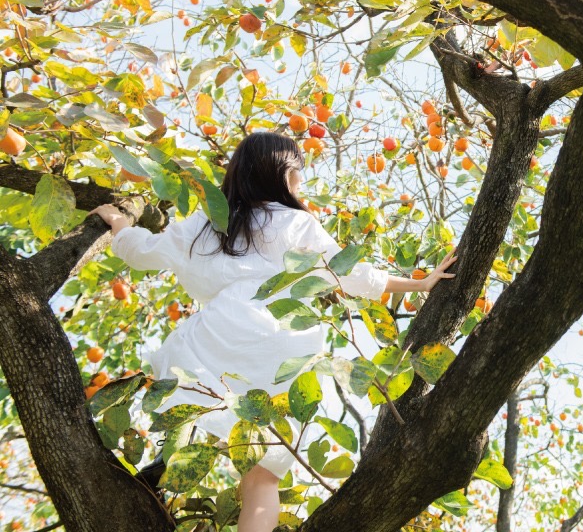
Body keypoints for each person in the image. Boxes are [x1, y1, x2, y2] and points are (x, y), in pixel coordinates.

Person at [90, 132, 456, 532]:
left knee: (199, 408)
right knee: (263, 474)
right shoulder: (297, 223)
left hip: (223, 334)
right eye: (297, 169)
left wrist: (120, 225)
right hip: (285, 342)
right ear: (280, 172)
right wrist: (418, 283)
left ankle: (158, 476)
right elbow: (347, 273)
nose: (301, 178)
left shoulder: (211, 222)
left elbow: (147, 253)